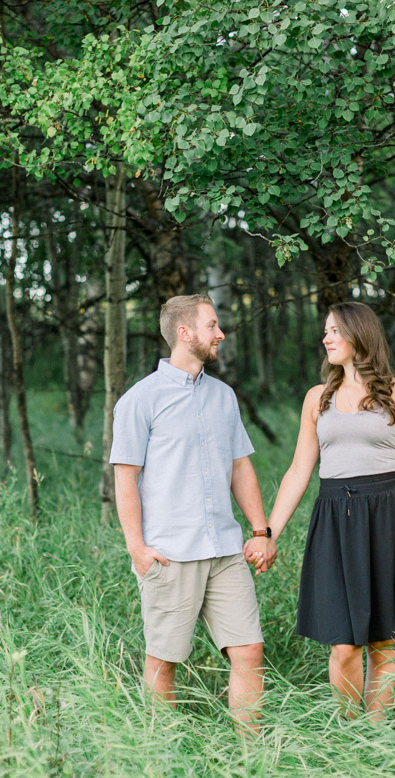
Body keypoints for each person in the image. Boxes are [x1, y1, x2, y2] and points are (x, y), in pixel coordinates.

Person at [245, 301, 395, 719]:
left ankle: (376, 737)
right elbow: (298, 470)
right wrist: (268, 533)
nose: (326, 338)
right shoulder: (318, 397)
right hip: (333, 518)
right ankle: (349, 731)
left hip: (387, 518)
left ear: (358, 335)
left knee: (384, 641)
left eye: (334, 331)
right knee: (344, 643)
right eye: (325, 331)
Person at [111, 294, 276, 732]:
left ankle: (251, 758)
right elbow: (125, 479)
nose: (220, 334)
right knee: (164, 661)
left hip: (224, 549)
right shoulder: (139, 400)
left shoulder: (223, 397)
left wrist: (261, 530)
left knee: (249, 652)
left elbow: (240, 466)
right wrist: (138, 550)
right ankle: (163, 762)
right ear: (185, 333)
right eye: (212, 325)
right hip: (169, 553)